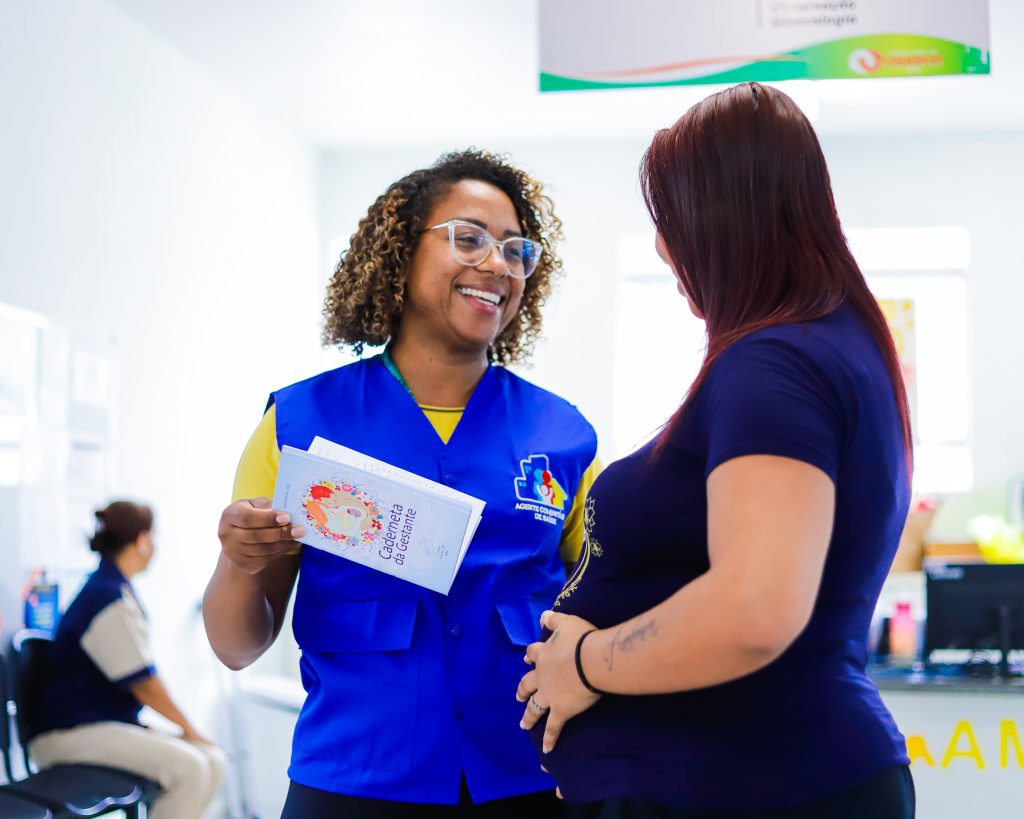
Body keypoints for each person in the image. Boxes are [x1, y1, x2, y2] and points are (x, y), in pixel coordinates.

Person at [517, 83, 916, 819]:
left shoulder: (775, 364)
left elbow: (753, 610)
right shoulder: (829, 346)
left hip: (750, 781)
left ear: (724, 219)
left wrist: (584, 663)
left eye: (670, 221)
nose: (663, 247)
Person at [203, 149, 601, 818]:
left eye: (516, 250)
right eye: (469, 238)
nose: (498, 265)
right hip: (353, 783)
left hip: (526, 779)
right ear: (399, 253)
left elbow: (603, 607)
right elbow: (236, 646)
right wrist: (240, 562)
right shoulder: (298, 425)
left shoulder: (564, 436)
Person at [31, 501, 227, 819]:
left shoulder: (111, 589)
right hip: (69, 734)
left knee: (213, 760)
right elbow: (144, 684)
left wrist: (191, 733)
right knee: (191, 768)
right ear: (143, 541)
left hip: (101, 725)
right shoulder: (105, 597)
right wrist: (191, 729)